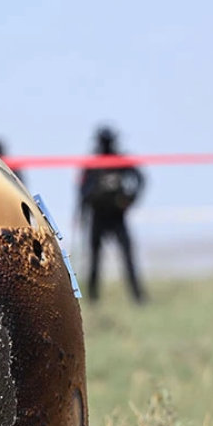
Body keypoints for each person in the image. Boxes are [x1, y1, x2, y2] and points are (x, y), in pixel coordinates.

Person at [76, 125, 147, 304]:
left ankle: (137, 297)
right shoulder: (92, 165)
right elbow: (82, 191)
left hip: (117, 215)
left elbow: (140, 179)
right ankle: (93, 298)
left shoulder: (121, 162)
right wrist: (83, 213)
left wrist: (130, 200)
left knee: (127, 257)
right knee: (94, 259)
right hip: (98, 215)